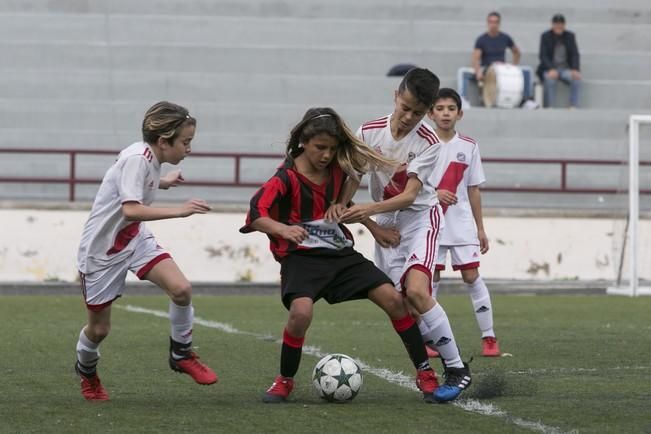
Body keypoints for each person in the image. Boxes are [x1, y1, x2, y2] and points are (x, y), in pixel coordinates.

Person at [240, 107, 442, 403]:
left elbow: (345, 205)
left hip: (340, 255)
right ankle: (284, 380)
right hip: (302, 259)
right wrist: (283, 230)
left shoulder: (338, 171)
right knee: (301, 313)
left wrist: (373, 228)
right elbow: (257, 213)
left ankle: (425, 372)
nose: (326, 155)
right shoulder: (285, 178)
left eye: (332, 149)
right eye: (321, 148)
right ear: (304, 142)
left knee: (395, 300)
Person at [342, 68, 472, 402]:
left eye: (417, 112)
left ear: (427, 112)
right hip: (386, 226)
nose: (409, 117)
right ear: (396, 97)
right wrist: (372, 226)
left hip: (419, 222)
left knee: (416, 291)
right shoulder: (369, 132)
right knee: (403, 307)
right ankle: (434, 368)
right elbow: (352, 181)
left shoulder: (428, 142)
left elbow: (411, 195)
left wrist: (366, 212)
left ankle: (457, 370)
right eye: (405, 108)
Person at [74, 101, 218, 401]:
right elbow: (130, 209)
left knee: (181, 289)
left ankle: (181, 354)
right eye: (186, 142)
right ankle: (86, 372)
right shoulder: (138, 159)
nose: (189, 149)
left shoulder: (148, 158)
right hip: (102, 252)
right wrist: (179, 212)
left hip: (134, 239)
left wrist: (162, 182)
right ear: (164, 142)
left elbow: (129, 188)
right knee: (99, 330)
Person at [427, 88, 501, 357]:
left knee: (471, 275)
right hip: (431, 222)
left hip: (460, 225)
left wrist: (481, 228)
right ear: (430, 113)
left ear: (460, 113)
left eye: (450, 108)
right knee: (430, 278)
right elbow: (412, 183)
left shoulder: (469, 146)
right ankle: (432, 339)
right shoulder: (422, 143)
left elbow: (474, 189)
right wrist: (433, 194)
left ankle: (489, 337)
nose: (445, 113)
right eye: (439, 108)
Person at [459, 11, 532, 106]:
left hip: (502, 69)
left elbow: (517, 52)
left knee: (526, 71)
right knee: (463, 72)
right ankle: (463, 100)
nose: (493, 24)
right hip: (487, 68)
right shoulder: (481, 39)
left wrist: (514, 66)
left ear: (499, 23)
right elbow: (475, 58)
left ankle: (526, 101)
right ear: (487, 23)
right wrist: (478, 72)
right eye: (491, 22)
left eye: (495, 22)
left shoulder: (505, 37)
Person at [537, 13, 581, 108]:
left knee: (576, 79)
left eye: (561, 24)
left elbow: (575, 54)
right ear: (552, 25)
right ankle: (551, 106)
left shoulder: (570, 36)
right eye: (556, 24)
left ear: (564, 25)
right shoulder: (545, 36)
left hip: (565, 69)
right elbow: (543, 56)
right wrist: (551, 69)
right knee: (550, 80)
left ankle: (573, 105)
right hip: (549, 69)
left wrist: (575, 69)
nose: (558, 26)